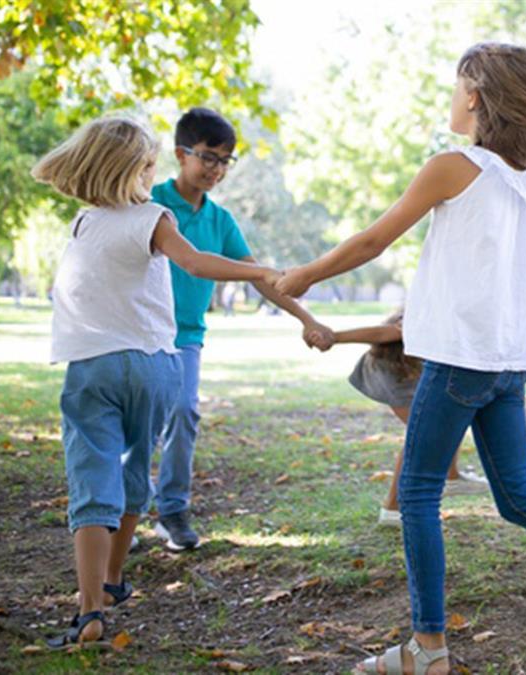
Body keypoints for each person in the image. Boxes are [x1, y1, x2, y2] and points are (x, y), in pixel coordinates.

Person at [276, 42, 526, 673]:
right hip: (505, 366)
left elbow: (373, 239)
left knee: (416, 495)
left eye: (455, 84)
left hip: (462, 361)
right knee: (518, 497)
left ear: (474, 94)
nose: (450, 95)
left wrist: (306, 274)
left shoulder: (453, 165)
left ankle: (428, 648)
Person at [32, 116, 281, 648]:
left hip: (92, 368)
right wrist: (261, 272)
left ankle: (89, 608)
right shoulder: (153, 216)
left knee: (92, 478)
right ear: (139, 169)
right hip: (154, 365)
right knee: (134, 467)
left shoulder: (83, 224)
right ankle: (116, 577)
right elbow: (192, 262)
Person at [149, 108, 332, 551]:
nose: (217, 169)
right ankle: (122, 510)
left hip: (187, 336)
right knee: (138, 427)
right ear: (181, 154)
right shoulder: (149, 202)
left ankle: (172, 509)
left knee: (184, 413)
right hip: (141, 335)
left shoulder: (220, 221)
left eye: (226, 161)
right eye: (209, 157)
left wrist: (308, 319)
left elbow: (259, 277)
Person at [318, 308, 490, 527]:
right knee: (423, 433)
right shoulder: (435, 303)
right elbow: (385, 333)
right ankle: (392, 509)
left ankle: (451, 476)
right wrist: (334, 337)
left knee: (450, 420)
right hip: (394, 367)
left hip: (420, 364)